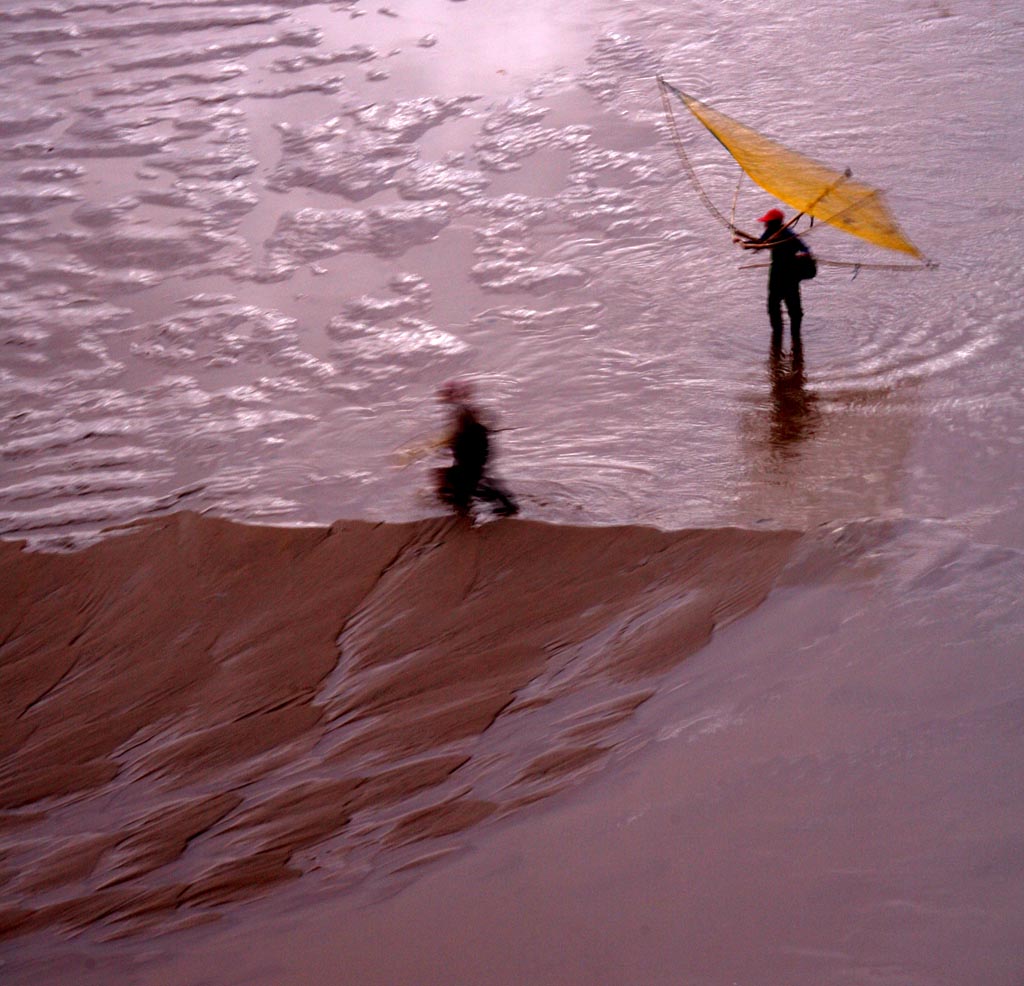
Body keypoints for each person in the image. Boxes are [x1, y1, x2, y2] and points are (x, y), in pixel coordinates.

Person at [433, 380, 518, 518]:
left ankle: (507, 507)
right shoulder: (464, 411)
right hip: (473, 457)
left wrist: (452, 444)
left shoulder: (462, 412)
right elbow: (462, 435)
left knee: (472, 484)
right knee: (476, 482)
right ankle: (504, 505)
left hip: (471, 458)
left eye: (445, 394)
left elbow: (463, 436)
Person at [735, 208, 812, 357]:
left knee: (794, 309)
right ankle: (777, 336)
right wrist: (741, 239)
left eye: (767, 222)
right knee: (773, 307)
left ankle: (795, 339)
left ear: (775, 223)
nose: (765, 225)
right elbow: (761, 243)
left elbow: (805, 249)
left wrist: (803, 255)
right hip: (776, 274)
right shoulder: (771, 232)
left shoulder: (789, 235)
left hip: (790, 275)